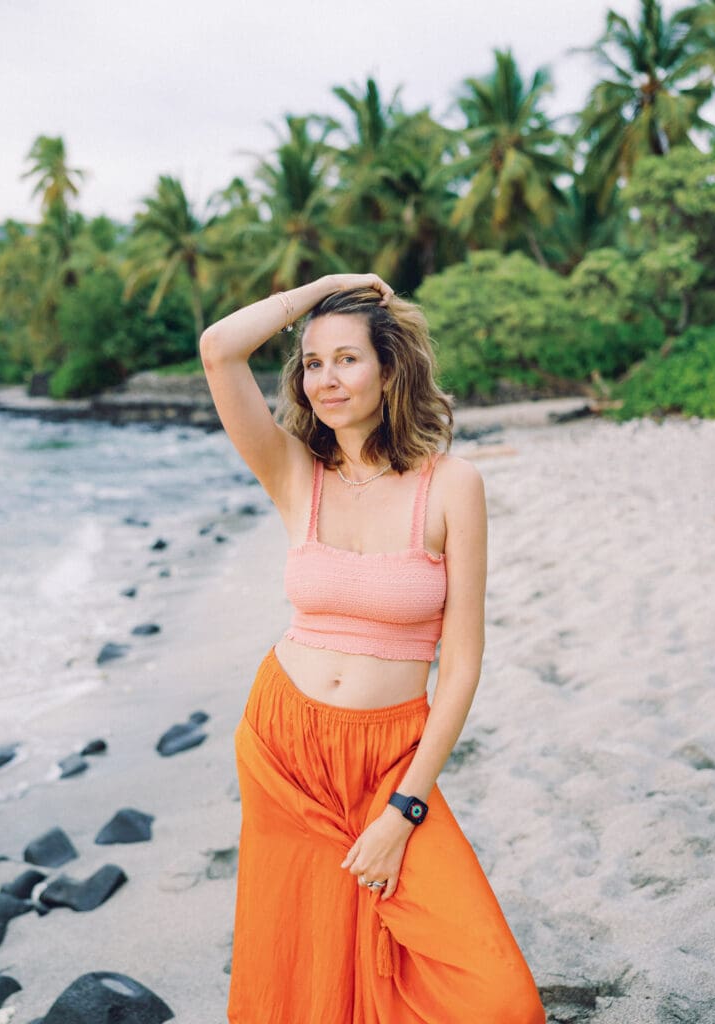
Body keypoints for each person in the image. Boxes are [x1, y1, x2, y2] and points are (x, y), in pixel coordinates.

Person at [199, 274, 545, 1024]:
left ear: (390, 368)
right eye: (313, 363)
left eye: (347, 358)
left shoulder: (452, 486)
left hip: (393, 757)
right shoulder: (295, 473)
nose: (326, 379)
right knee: (303, 966)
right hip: (286, 747)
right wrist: (326, 290)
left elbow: (461, 663)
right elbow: (220, 350)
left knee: (500, 1002)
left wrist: (404, 809)